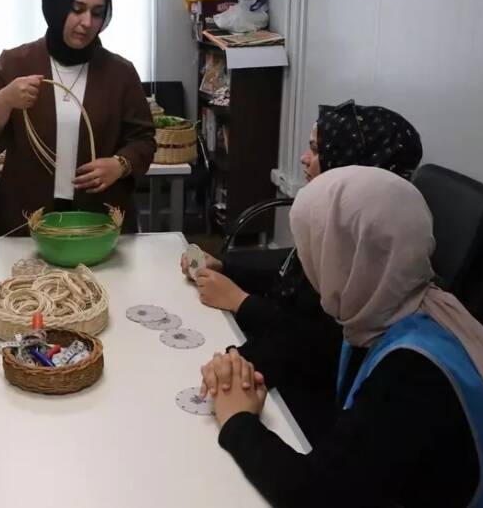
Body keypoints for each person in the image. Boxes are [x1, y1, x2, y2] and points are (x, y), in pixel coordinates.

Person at [198, 167, 483, 508]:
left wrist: (237, 421)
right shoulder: (394, 306)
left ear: (346, 256)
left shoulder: (410, 374)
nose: (307, 261)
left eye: (314, 247)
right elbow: (314, 357)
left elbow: (314, 495)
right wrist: (244, 367)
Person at [181, 100, 422, 438]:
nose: (303, 159)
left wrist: (240, 302)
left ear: (351, 165)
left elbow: (317, 342)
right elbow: (289, 279)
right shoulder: (347, 225)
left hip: (306, 408)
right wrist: (226, 266)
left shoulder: (368, 253)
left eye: (315, 150)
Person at [0, 0, 156, 235]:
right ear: (55, 6)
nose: (87, 22)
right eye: (77, 9)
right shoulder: (14, 64)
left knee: (101, 281)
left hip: (99, 221)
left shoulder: (120, 72)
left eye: (97, 12)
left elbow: (143, 139)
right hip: (25, 218)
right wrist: (4, 101)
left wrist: (120, 164)